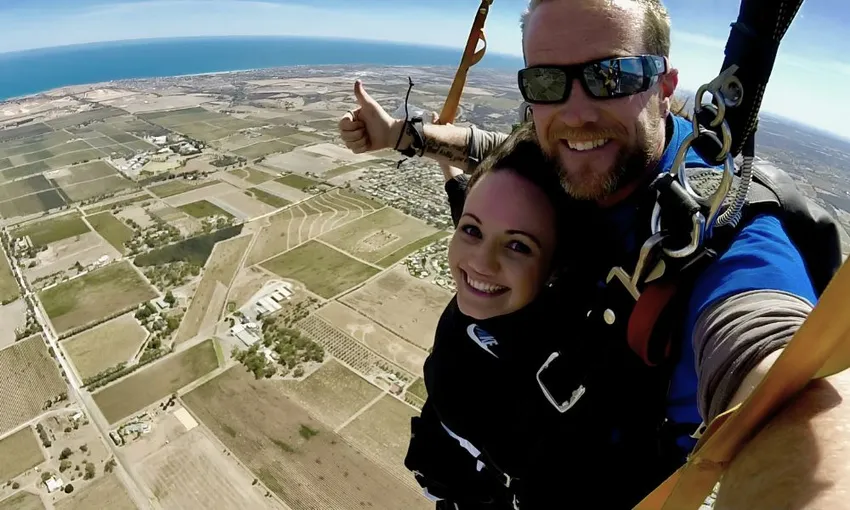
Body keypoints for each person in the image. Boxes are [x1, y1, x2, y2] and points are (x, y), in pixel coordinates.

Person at [339, 0, 850, 508]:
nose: (576, 114)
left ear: (666, 86)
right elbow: (509, 151)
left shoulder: (728, 234)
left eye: (612, 76)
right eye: (547, 83)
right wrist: (404, 136)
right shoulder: (575, 153)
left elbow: (774, 363)